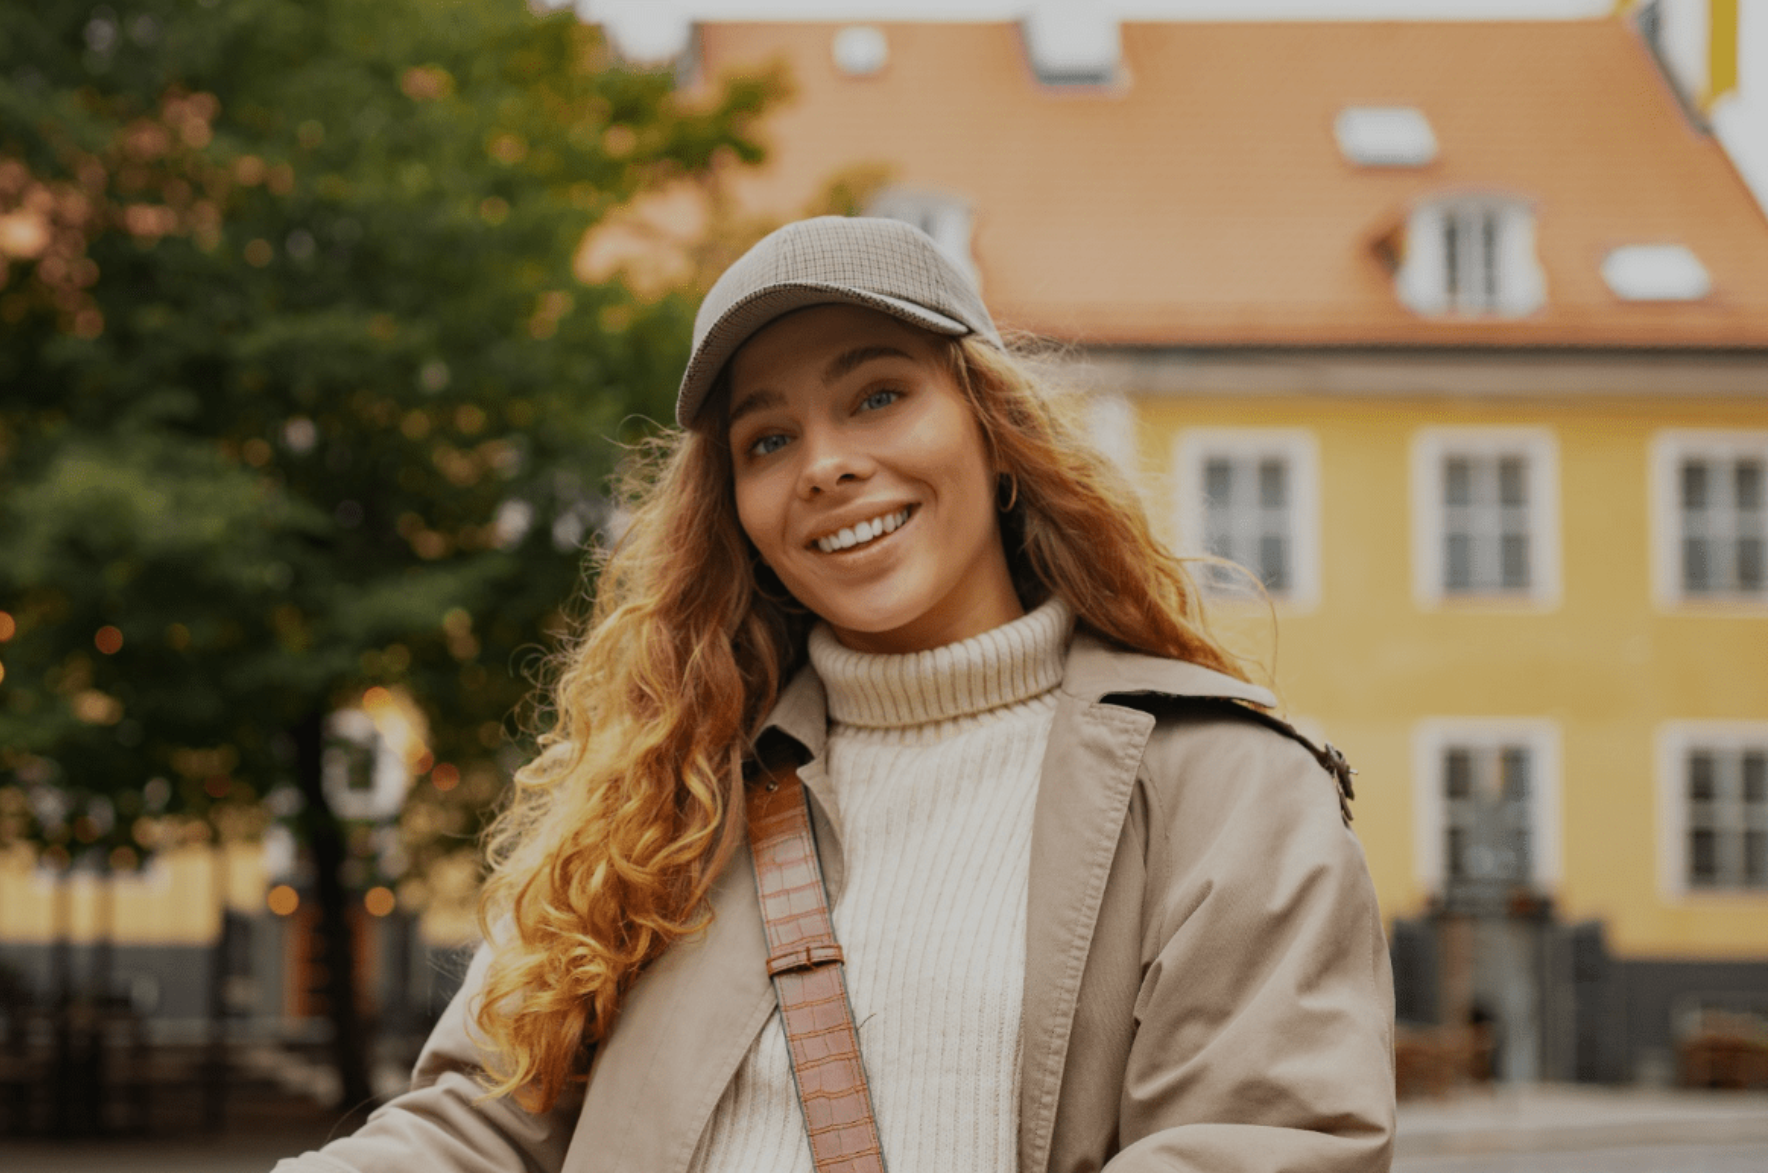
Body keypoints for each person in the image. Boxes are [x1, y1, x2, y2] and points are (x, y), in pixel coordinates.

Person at [276, 216, 1394, 1173]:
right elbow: (477, 1127)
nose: (824, 464)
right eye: (769, 438)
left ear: (995, 433)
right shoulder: (659, 794)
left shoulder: (1225, 788)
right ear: (738, 510)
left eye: (878, 395)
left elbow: (1263, 1140)